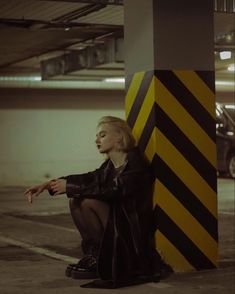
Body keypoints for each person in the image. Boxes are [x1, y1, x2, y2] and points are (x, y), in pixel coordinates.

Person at [25, 116, 170, 288]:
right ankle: (96, 256)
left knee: (88, 202)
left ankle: (110, 258)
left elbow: (114, 190)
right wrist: (50, 184)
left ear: (119, 137)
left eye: (102, 135)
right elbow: (90, 178)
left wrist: (70, 186)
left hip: (132, 233)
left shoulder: (136, 164)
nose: (96, 140)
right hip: (118, 224)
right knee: (76, 200)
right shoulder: (110, 166)